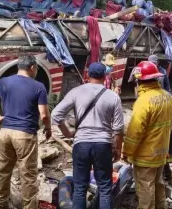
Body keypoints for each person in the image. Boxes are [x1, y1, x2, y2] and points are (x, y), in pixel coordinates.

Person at [0, 55, 51, 209]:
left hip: (5, 133)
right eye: (36, 68)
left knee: (3, 172)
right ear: (32, 68)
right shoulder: (38, 87)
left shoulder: (4, 82)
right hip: (25, 134)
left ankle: (1, 205)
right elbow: (44, 114)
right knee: (28, 176)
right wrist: (49, 129)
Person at [51, 62, 124, 209]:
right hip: (103, 145)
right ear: (105, 76)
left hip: (81, 144)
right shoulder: (113, 97)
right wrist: (117, 149)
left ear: (88, 75)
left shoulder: (76, 92)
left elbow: (56, 115)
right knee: (104, 188)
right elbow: (118, 129)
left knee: (79, 188)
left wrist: (67, 133)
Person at [123, 61, 172, 209]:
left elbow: (135, 131)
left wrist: (127, 152)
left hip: (145, 155)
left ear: (139, 81)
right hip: (161, 153)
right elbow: (171, 126)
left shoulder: (143, 101)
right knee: (158, 184)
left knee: (145, 188)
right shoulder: (168, 97)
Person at [147, 55, 172, 185]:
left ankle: (165, 178)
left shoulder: (162, 74)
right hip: (162, 134)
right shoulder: (165, 101)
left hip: (160, 135)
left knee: (162, 155)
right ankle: (164, 178)